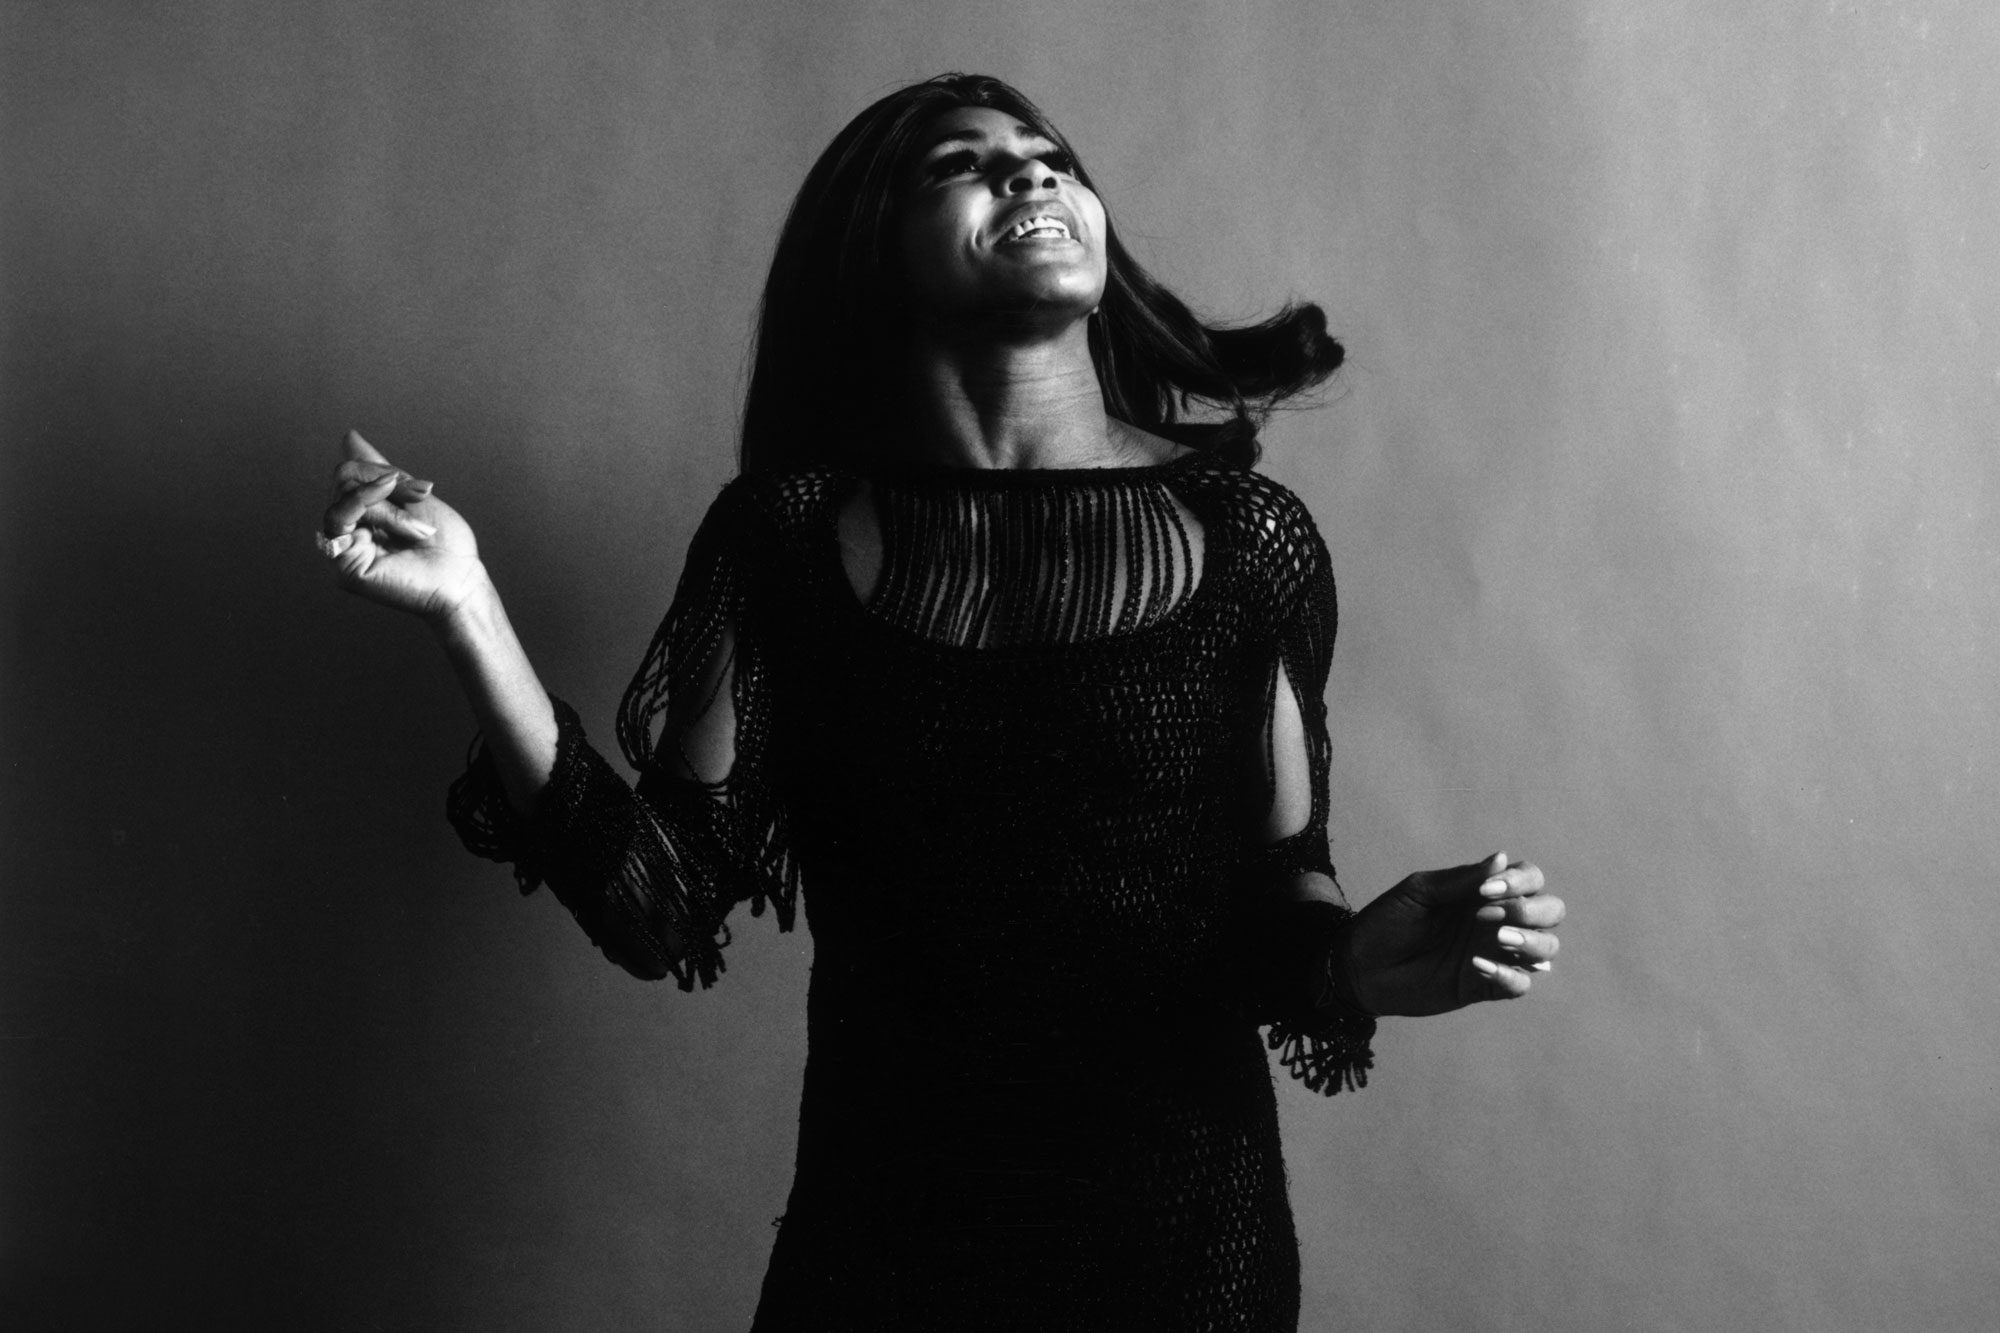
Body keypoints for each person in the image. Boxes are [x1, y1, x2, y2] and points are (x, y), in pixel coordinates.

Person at [317, 73, 1565, 1332]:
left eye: (1048, 157)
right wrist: (468, 606)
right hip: (880, 1264)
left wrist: (1353, 962)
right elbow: (658, 905)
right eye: (959, 164)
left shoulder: (1247, 541)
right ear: (875, 255)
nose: (1029, 174)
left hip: (1183, 1260)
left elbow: (1276, 894)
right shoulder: (785, 539)